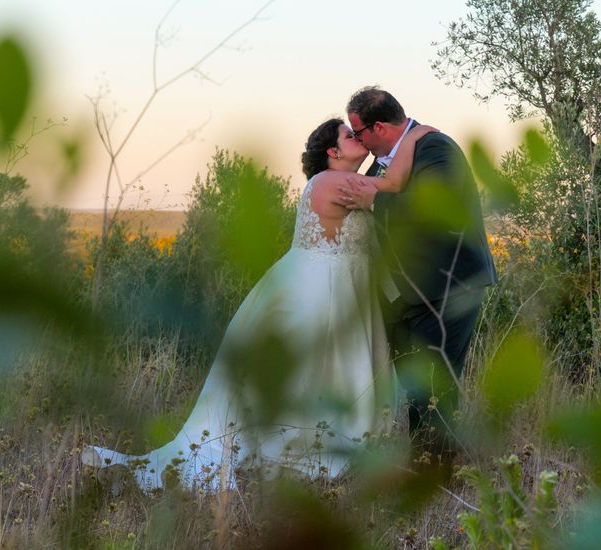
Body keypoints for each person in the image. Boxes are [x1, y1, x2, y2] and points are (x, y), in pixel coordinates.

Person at [81, 118, 437, 491]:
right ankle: (310, 447)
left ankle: (335, 445)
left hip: (342, 285)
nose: (358, 137)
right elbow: (393, 185)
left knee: (332, 366)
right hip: (319, 289)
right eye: (350, 135)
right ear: (333, 152)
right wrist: (411, 133)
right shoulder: (332, 181)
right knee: (321, 365)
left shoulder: (340, 181)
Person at [340, 87, 497, 474]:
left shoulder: (437, 150)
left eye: (358, 133)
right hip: (406, 297)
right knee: (415, 389)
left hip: (449, 287)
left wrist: (374, 202)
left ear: (378, 127)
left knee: (435, 383)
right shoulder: (383, 168)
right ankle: (425, 466)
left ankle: (437, 474)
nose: (356, 140)